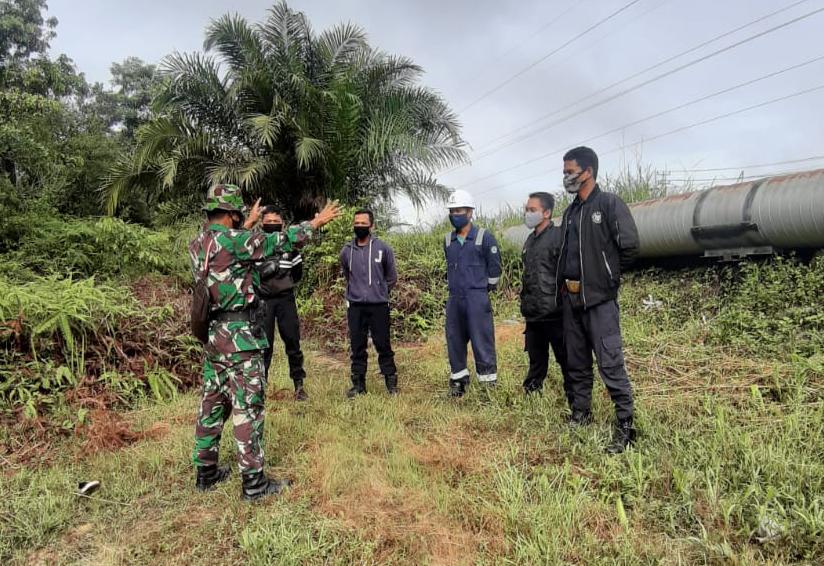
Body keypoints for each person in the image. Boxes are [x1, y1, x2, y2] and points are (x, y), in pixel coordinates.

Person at [189, 184, 339, 500]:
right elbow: (279, 240)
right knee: (248, 407)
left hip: (214, 336)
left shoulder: (199, 243)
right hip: (240, 337)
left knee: (211, 404)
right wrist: (315, 223)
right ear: (232, 215)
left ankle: (206, 472)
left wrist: (246, 224)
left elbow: (227, 246)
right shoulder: (237, 240)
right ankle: (254, 484)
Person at [556, 146, 640, 454]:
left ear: (587, 171)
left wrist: (607, 280)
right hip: (572, 301)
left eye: (569, 171)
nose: (565, 177)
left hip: (600, 301)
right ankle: (581, 414)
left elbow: (629, 247)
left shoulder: (608, 204)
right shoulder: (570, 212)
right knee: (576, 362)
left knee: (610, 362)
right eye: (565, 172)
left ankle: (626, 425)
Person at [443, 189, 502, 397]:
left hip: (477, 297)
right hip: (454, 298)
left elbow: (495, 269)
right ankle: (458, 381)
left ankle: (487, 384)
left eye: (458, 210)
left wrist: (484, 289)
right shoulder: (447, 240)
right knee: (454, 339)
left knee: (482, 339)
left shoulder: (484, 237)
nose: (454, 215)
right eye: (452, 211)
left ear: (469, 212)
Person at [339, 209, 399, 397]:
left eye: (364, 224)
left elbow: (391, 277)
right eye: (357, 223)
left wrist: (379, 292)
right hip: (355, 306)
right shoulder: (347, 251)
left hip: (379, 305)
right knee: (357, 345)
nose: (360, 227)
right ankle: (358, 385)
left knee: (383, 344)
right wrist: (356, 293)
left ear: (372, 226)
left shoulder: (383, 249)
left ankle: (391, 383)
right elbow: (347, 275)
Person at [520, 192, 571, 401]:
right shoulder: (529, 241)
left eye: (533, 210)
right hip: (533, 313)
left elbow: (568, 272)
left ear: (547, 212)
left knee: (566, 359)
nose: (528, 213)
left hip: (555, 312)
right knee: (536, 359)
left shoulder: (558, 237)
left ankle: (575, 399)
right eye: (527, 209)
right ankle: (532, 395)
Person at [255, 206, 308, 401]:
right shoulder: (257, 247)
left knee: (293, 342)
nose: (271, 224)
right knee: (264, 346)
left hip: (286, 300)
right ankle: (261, 388)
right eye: (267, 221)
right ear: (261, 224)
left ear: (282, 224)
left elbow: (297, 274)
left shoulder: (291, 249)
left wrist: (284, 285)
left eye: (275, 221)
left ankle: (299, 386)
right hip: (263, 302)